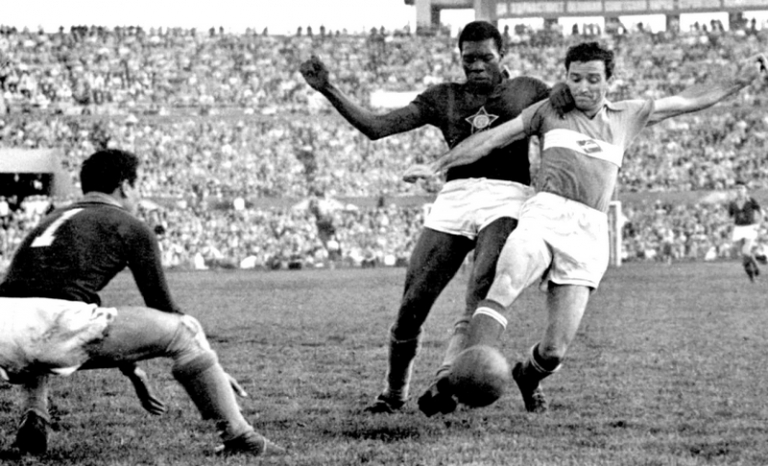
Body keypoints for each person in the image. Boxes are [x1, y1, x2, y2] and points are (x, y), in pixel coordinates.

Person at [404, 42, 767, 414]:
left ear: (610, 80)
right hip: (544, 214)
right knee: (505, 283)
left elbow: (688, 100)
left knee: (554, 351)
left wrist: (737, 80)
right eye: (575, 78)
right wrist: (435, 166)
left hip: (588, 230)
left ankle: (527, 376)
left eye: (593, 79)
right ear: (566, 78)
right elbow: (490, 138)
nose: (583, 87)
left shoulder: (628, 114)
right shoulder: (548, 111)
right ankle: (454, 382)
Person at [300, 21, 571, 416]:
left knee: (481, 288)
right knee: (411, 305)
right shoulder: (444, 97)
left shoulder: (529, 89)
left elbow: (566, 113)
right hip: (455, 196)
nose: (476, 66)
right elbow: (377, 127)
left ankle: (448, 381)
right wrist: (328, 89)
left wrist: (567, 89)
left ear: (503, 54)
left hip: (508, 195)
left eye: (485, 57)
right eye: (468, 59)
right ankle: (393, 394)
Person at [0, 149, 284, 458]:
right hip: (56, 324)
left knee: (38, 330)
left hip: (5, 327)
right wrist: (209, 369)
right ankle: (240, 435)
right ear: (125, 186)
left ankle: (35, 414)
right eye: (138, 186)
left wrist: (132, 371)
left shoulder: (50, 219)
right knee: (185, 331)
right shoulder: (129, 224)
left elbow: (43, 299)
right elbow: (163, 308)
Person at [727, 181, 763, 281]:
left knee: (746, 250)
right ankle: (752, 277)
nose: (739, 190)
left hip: (750, 227)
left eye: (741, 188)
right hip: (738, 228)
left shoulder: (751, 200)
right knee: (744, 256)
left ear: (745, 189)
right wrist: (729, 226)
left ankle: (756, 266)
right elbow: (730, 215)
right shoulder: (732, 202)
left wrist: (758, 224)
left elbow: (760, 212)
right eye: (737, 188)